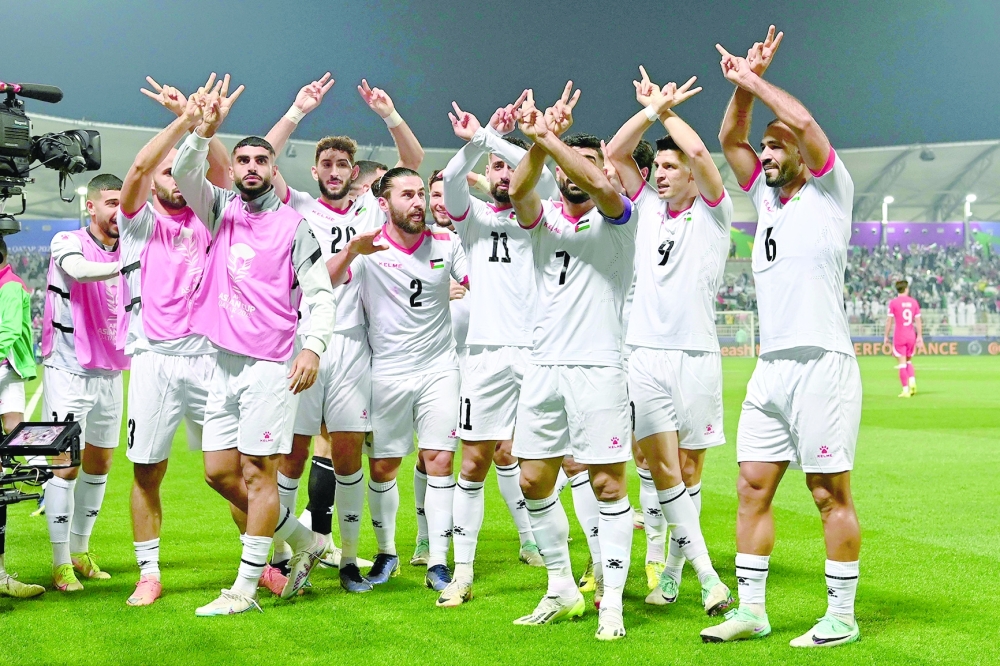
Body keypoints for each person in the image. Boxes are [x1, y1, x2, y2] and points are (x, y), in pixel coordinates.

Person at [705, 26, 862, 647]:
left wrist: (755, 81)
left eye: (775, 148)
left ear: (802, 152)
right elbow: (728, 138)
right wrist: (741, 94)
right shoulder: (766, 201)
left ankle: (841, 616)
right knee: (750, 485)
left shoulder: (831, 191)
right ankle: (752, 610)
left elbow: (803, 118)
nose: (763, 156)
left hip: (823, 361)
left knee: (827, 491)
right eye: (763, 150)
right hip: (771, 366)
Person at [172, 80, 337, 616]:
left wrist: (311, 348)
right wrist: (201, 133)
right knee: (217, 472)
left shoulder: (295, 226)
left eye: (259, 160)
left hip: (271, 366)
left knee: (257, 474)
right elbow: (181, 174)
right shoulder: (219, 209)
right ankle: (307, 540)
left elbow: (320, 295)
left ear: (272, 169)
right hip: (221, 363)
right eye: (240, 159)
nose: (248, 166)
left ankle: (244, 590)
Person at [263, 75, 423, 591]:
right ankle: (285, 557)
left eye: (341, 165)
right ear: (314, 171)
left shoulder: (369, 208)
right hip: (305, 343)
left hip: (354, 345)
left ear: (354, 173)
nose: (334, 171)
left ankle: (349, 559)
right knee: (290, 452)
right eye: (325, 164)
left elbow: (412, 162)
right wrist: (297, 109)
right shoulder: (299, 209)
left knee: (350, 452)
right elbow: (262, 157)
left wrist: (389, 115)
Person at [508, 85, 636, 641]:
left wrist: (552, 139)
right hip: (543, 364)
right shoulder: (549, 220)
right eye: (566, 164)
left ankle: (611, 602)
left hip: (597, 366)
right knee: (533, 478)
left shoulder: (618, 219)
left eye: (583, 162)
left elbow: (605, 184)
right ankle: (561, 587)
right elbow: (518, 193)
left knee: (607, 485)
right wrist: (538, 144)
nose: (571, 172)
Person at [605, 68, 732, 614]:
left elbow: (703, 152)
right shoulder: (648, 208)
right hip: (645, 354)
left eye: (668, 167)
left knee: (691, 471)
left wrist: (668, 112)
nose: (658, 174)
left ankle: (678, 570)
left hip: (698, 355)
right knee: (663, 469)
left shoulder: (714, 213)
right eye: (655, 166)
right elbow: (614, 154)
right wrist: (649, 111)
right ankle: (706, 575)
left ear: (689, 176)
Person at [434, 95, 564, 606]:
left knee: (557, 464)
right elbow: (447, 183)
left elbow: (546, 179)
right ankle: (462, 574)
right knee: (473, 465)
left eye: (511, 166)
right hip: (485, 356)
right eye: (495, 168)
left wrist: (498, 144)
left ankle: (575, 570)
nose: (505, 175)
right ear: (486, 176)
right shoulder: (473, 219)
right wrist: (480, 136)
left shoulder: (547, 212)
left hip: (539, 353)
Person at [117, 74, 233, 606]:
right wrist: (184, 120)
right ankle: (149, 573)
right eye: (167, 172)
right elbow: (140, 168)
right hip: (155, 358)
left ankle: (264, 561)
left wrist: (207, 129)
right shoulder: (137, 223)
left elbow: (225, 170)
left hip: (211, 357)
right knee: (147, 468)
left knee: (234, 468)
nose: (170, 177)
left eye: (177, 171)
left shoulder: (213, 214)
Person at [326, 167, 468, 595]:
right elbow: (322, 281)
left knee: (440, 460)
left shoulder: (447, 240)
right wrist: (351, 251)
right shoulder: (369, 248)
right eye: (407, 195)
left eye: (420, 193)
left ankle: (439, 561)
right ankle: (387, 552)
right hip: (386, 371)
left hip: (440, 368)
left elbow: (480, 282)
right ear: (383, 203)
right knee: (384, 465)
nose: (419, 202)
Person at [41, 173, 129, 592]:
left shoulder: (130, 246)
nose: (118, 211)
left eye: (123, 202)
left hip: (111, 371)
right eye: (111, 202)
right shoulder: (67, 241)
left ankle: (80, 550)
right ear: (91, 206)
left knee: (101, 463)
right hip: (69, 370)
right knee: (65, 467)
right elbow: (77, 271)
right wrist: (125, 265)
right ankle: (60, 564)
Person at [0, 237, 45, 599]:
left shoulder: (11, 286)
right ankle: (38, 476)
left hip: (5, 364)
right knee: (12, 425)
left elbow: (10, 330)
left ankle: (39, 476)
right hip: (5, 365)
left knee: (13, 426)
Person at [884, 279, 922, 397]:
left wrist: (886, 336)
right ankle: (912, 381)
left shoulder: (894, 303)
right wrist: (919, 336)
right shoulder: (913, 302)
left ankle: (905, 390)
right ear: (906, 289)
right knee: (909, 361)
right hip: (911, 335)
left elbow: (889, 320)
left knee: (901, 363)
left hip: (899, 335)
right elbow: (918, 320)